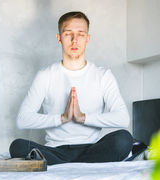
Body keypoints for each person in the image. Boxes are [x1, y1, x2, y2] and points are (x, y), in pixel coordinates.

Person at [9, 11, 133, 165]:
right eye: (68, 34)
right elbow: (23, 120)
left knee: (123, 139)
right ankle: (79, 165)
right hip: (55, 151)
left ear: (87, 39)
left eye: (81, 34)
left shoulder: (103, 76)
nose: (75, 40)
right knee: (17, 146)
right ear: (59, 38)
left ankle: (74, 164)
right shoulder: (45, 76)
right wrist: (62, 118)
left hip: (92, 149)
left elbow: (123, 119)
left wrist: (83, 118)